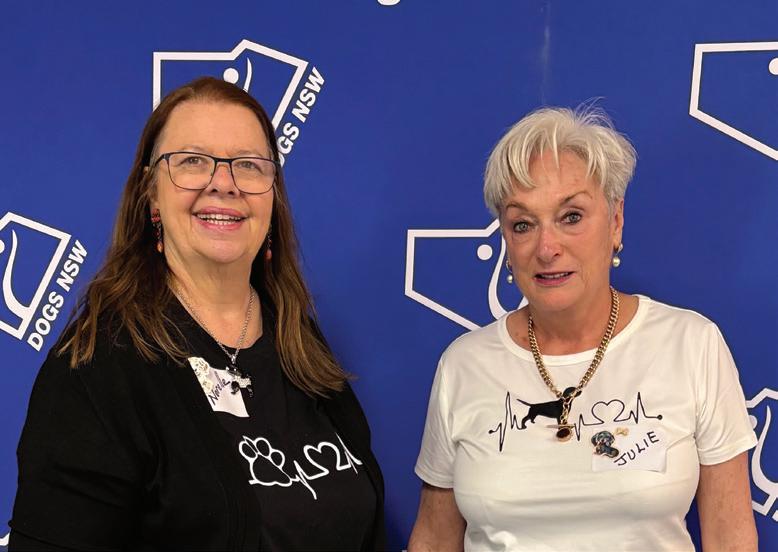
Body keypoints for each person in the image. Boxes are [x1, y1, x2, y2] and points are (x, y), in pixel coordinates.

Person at [10, 77, 385, 551]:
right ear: (151, 193)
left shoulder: (297, 338)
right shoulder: (94, 368)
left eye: (248, 165)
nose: (223, 184)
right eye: (192, 161)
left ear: (273, 194)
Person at [409, 107, 758, 551]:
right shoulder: (464, 365)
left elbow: (730, 537)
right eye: (523, 224)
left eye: (571, 217)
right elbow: (435, 539)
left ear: (616, 221)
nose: (546, 248)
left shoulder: (691, 345)